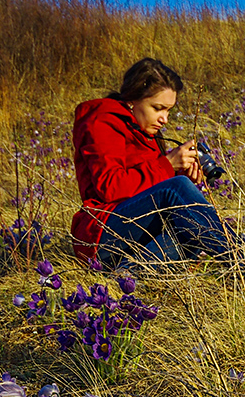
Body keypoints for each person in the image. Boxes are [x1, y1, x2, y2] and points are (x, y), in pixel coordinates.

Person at [71, 57, 236, 269]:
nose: (164, 119)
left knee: (191, 227)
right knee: (177, 190)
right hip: (99, 236)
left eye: (168, 110)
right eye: (158, 108)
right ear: (132, 99)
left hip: (131, 235)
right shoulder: (103, 121)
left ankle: (128, 274)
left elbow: (146, 188)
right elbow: (111, 187)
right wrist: (169, 168)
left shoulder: (146, 134)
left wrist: (180, 174)